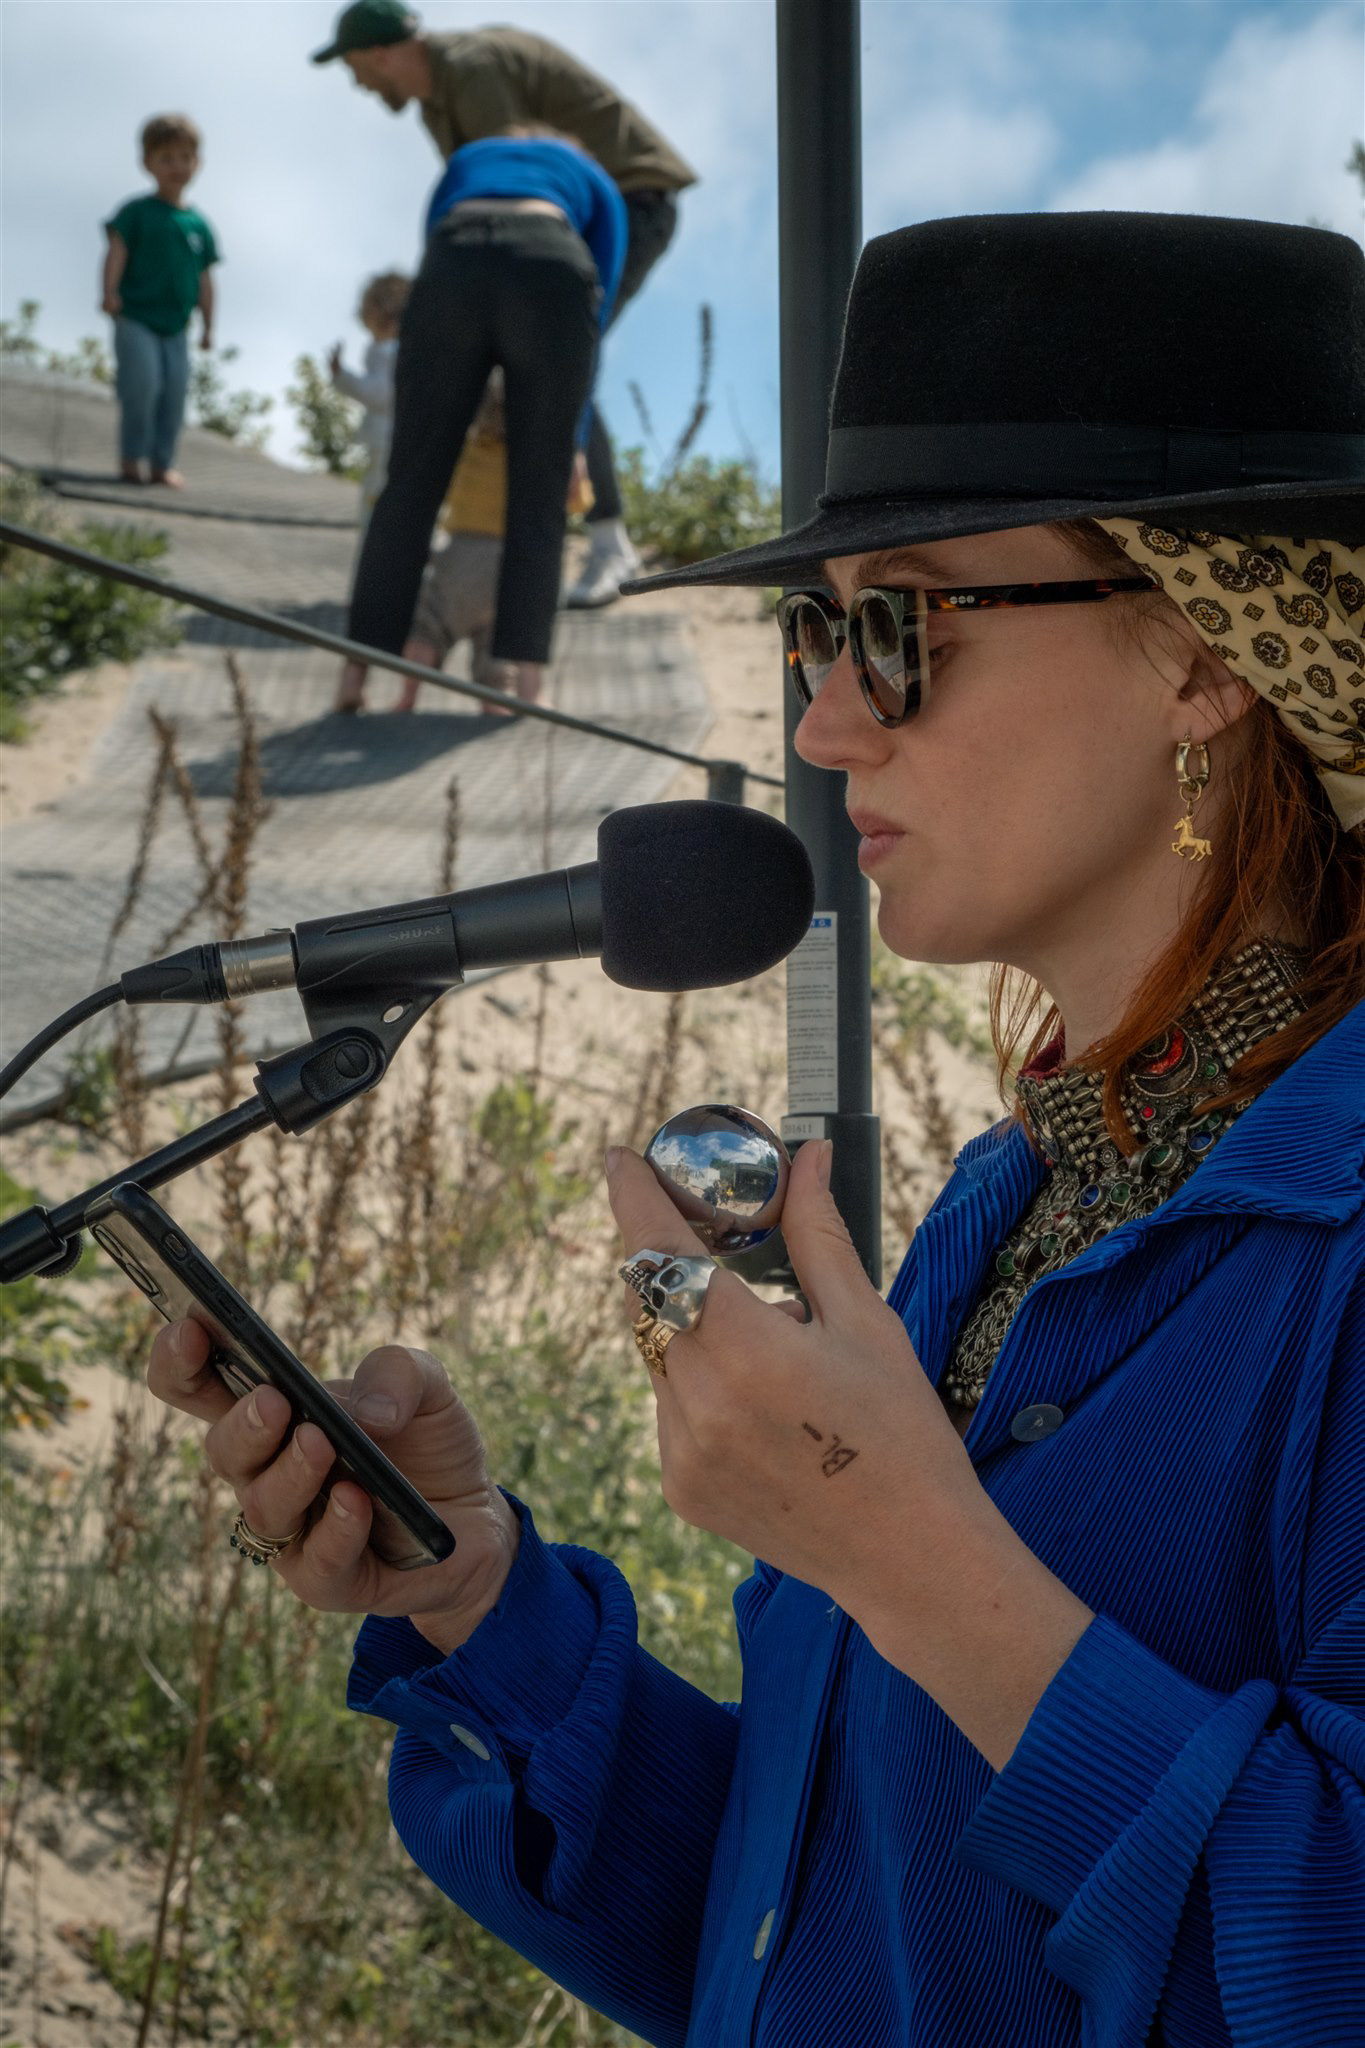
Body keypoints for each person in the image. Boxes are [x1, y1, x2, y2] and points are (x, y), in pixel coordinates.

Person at [147, 211, 1365, 2047]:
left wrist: (907, 1560)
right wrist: (477, 1597)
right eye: (815, 631)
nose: (823, 723)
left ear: (1200, 648)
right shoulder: (1008, 1204)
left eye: (899, 628)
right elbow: (842, 1916)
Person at [312, 0, 696, 608]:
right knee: (541, 359)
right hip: (575, 217)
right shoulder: (439, 99)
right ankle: (503, 550)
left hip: (625, 200)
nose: (357, 83)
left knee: (558, 361)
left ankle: (608, 545)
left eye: (354, 66)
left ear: (380, 52)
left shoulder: (471, 69)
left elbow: (517, 195)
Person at [332, 130, 625, 715]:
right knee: (539, 491)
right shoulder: (593, 177)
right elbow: (600, 299)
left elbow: (432, 240)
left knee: (409, 480)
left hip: (455, 258)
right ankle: (530, 685)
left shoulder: (470, 158)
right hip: (550, 262)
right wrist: (572, 439)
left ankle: (355, 675)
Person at [101, 113, 219, 488]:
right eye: (166, 158)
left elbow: (205, 280)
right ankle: (132, 457)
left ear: (197, 163)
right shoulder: (136, 212)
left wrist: (209, 326)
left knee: (174, 393)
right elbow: (117, 251)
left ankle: (161, 463)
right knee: (143, 383)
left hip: (176, 327)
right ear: (147, 163)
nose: (176, 166)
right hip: (136, 317)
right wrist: (109, 292)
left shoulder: (199, 226)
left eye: (185, 157)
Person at [328, 270, 410, 530]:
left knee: (376, 505)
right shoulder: (409, 351)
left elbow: (379, 394)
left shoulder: (388, 352)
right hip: (399, 438)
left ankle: (375, 544)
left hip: (386, 439)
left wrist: (342, 377)